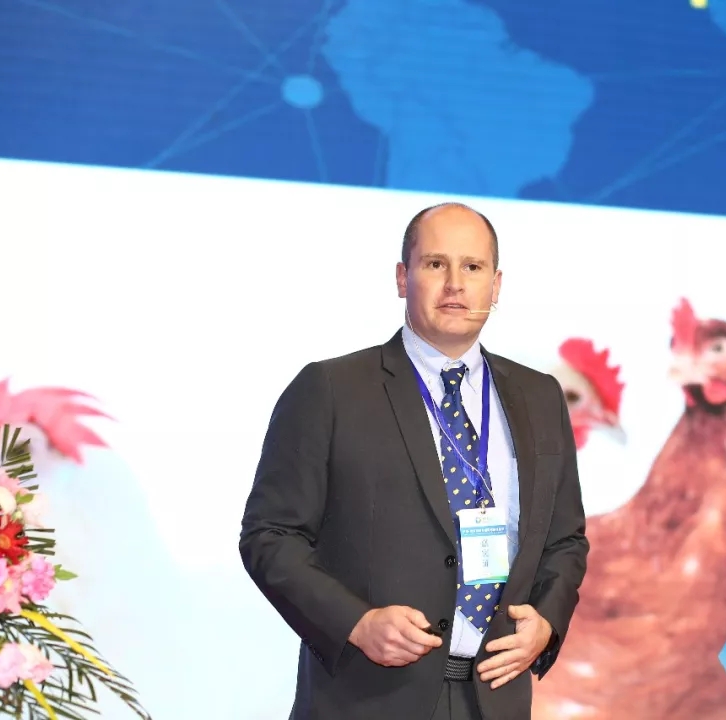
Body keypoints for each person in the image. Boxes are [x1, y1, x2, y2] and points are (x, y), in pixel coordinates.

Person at [239, 202, 589, 719]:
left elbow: (565, 539)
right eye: (435, 264)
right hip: (367, 698)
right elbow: (270, 535)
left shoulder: (540, 397)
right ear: (403, 278)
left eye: (473, 267)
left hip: (494, 697)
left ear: (496, 286)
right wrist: (355, 623)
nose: (455, 284)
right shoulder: (331, 389)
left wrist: (546, 621)